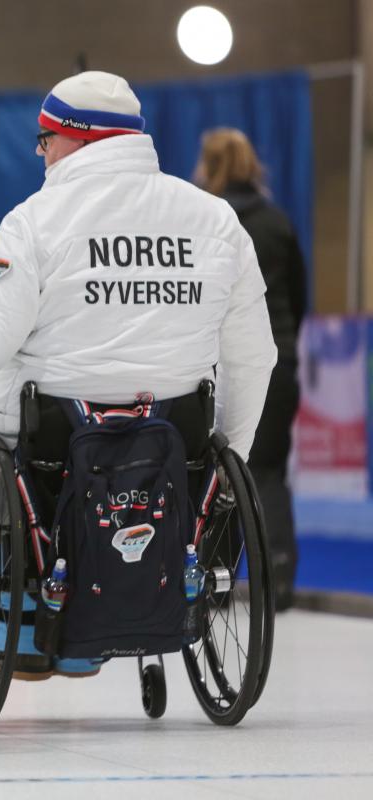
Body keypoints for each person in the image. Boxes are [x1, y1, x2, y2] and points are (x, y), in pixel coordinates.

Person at [0, 72, 277, 678]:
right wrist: (220, 470)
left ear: (75, 139)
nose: (41, 153)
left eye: (44, 139)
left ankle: (25, 624)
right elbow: (253, 356)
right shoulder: (215, 220)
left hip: (49, 452)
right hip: (175, 446)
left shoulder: (34, 221)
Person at [196, 127, 307, 611]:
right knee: (268, 470)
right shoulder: (277, 222)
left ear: (207, 166)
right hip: (277, 362)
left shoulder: (202, 222)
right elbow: (298, 299)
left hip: (216, 363)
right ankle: (278, 577)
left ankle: (216, 579)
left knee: (217, 470)